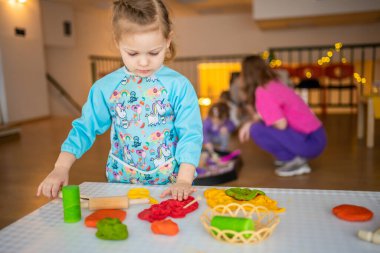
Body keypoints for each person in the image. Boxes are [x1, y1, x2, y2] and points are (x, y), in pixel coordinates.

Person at [36, 0, 203, 201]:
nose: (143, 62)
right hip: (122, 182)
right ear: (118, 42)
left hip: (171, 183)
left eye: (153, 52)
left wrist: (184, 180)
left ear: (168, 41)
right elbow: (85, 127)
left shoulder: (179, 85)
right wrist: (60, 167)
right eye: (132, 53)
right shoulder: (105, 87)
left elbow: (190, 134)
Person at [238, 55, 326, 176]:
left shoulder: (262, 91)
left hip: (310, 143)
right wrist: (252, 121)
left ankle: (293, 159)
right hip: (317, 137)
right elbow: (266, 115)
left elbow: (281, 124)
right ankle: (290, 157)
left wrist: (251, 124)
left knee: (256, 129)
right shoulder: (274, 84)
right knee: (259, 124)